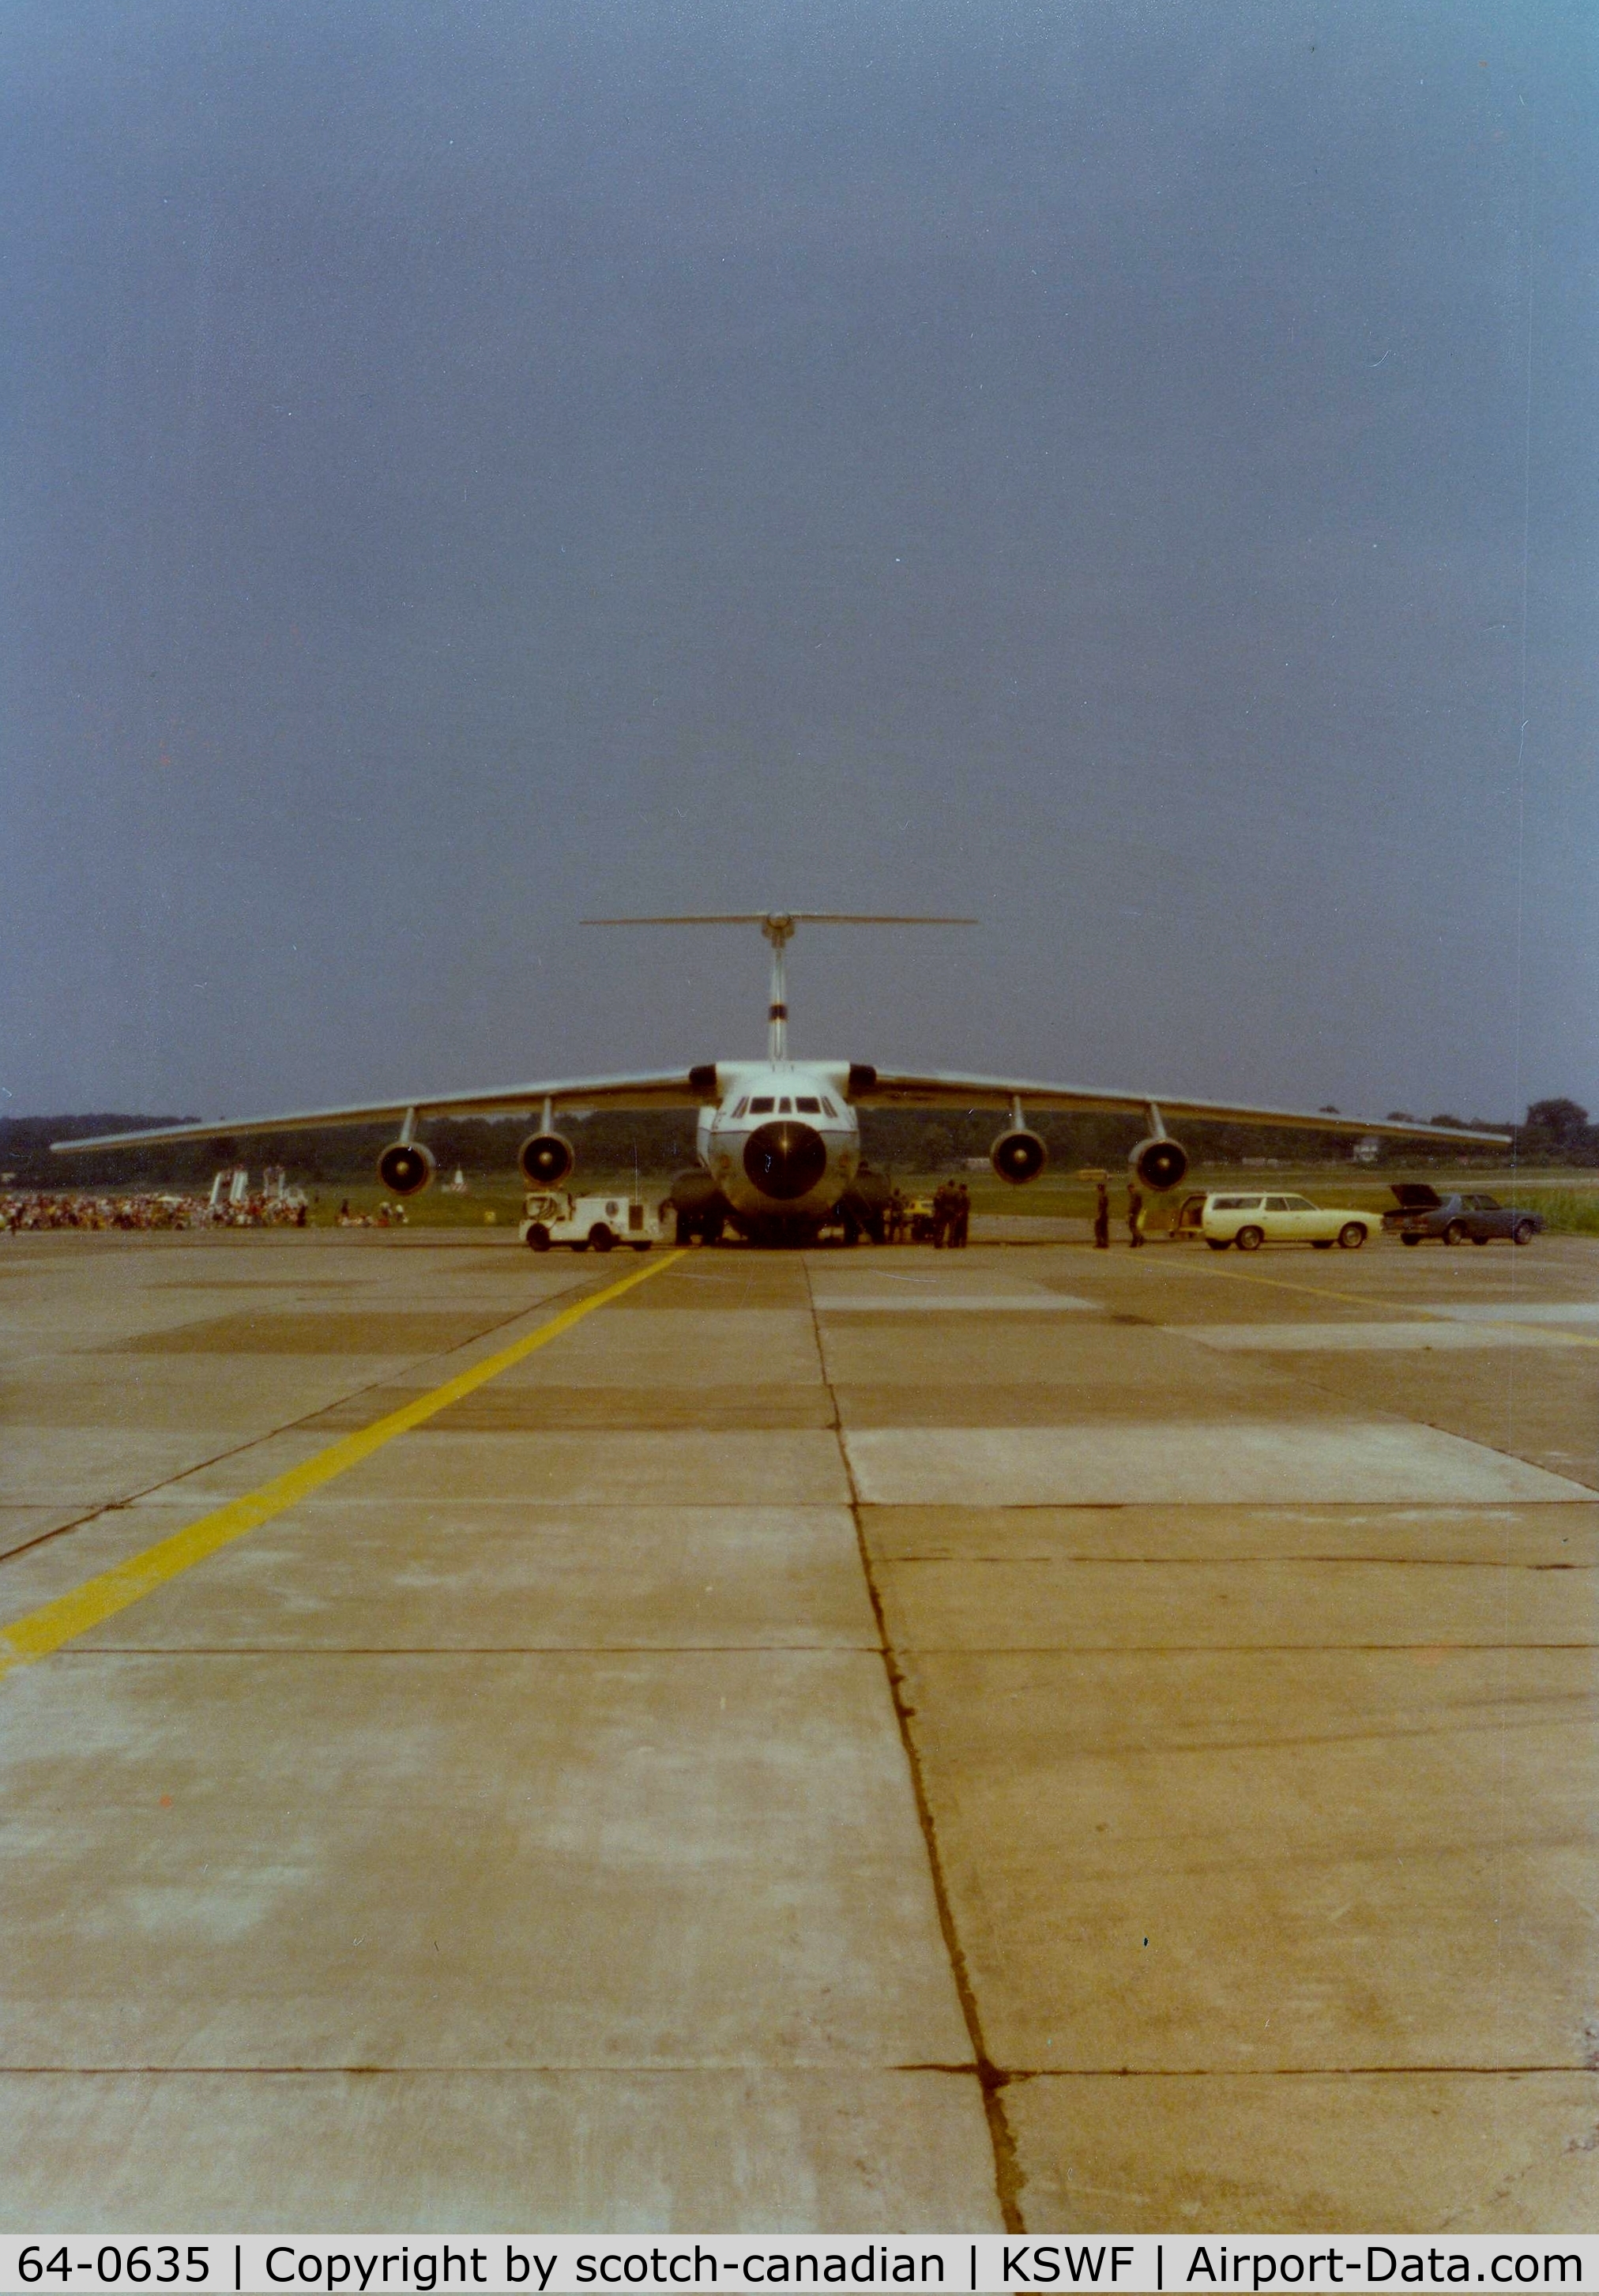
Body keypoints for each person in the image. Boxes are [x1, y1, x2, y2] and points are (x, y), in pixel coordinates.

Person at [1127, 1180, 1145, 1248]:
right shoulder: (1136, 1194)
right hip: (1137, 1212)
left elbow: (1133, 1205)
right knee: (1133, 1227)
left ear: (1132, 1188)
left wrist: (1130, 1213)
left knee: (1133, 1227)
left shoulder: (1134, 1195)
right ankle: (1135, 1242)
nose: (1129, 1190)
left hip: (1134, 1213)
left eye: (1130, 1188)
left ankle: (1140, 1238)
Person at [1093, 1180, 1110, 1249]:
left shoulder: (1102, 1196)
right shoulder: (1104, 1195)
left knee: (1097, 1229)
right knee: (1104, 1229)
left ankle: (1100, 1242)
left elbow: (1102, 1207)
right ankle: (1105, 1243)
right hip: (1105, 1215)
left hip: (1102, 1215)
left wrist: (1098, 1215)